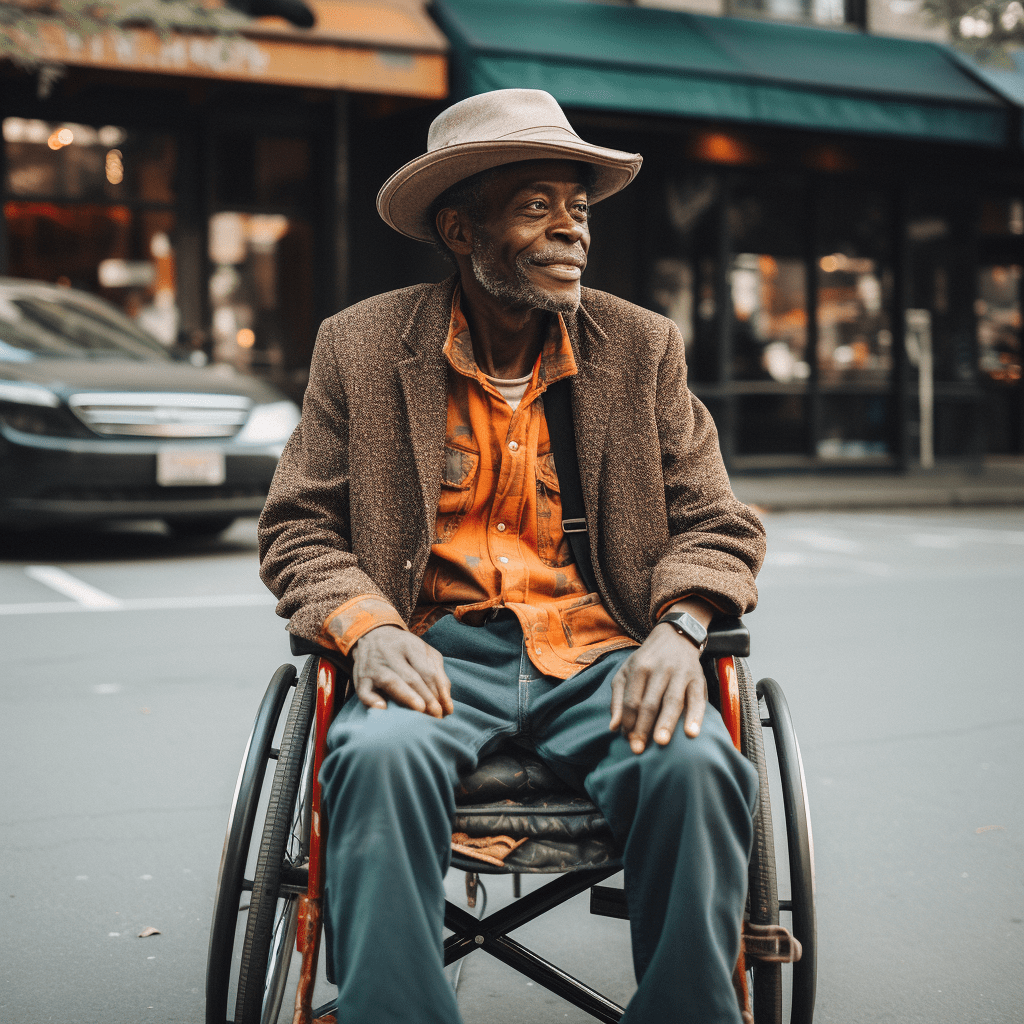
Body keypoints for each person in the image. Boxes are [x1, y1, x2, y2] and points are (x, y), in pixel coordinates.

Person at [258, 88, 766, 1024]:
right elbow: (298, 527)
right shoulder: (361, 346)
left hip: (602, 652)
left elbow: (720, 523)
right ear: (460, 227)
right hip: (432, 650)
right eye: (538, 206)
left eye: (578, 208)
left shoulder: (640, 347)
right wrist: (365, 629)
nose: (572, 228)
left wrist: (680, 627)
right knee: (373, 758)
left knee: (700, 767)